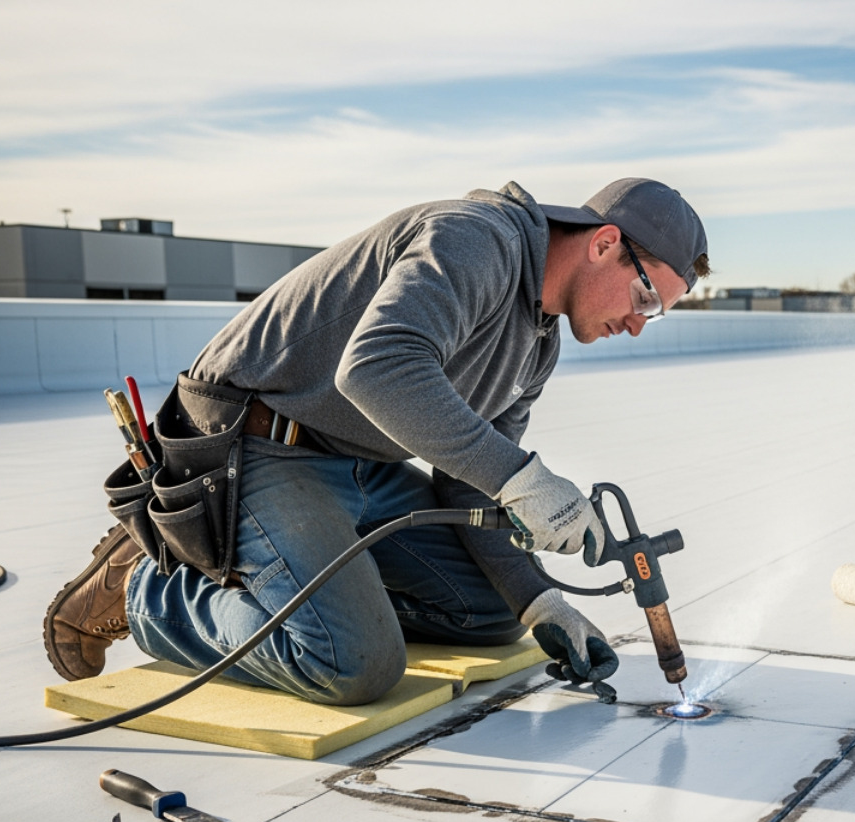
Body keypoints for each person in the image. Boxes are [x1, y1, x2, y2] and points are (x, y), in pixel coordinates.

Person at [43, 178, 709, 705]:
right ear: (603, 245)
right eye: (647, 300)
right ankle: (149, 588)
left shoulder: (537, 345)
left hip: (359, 465)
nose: (639, 324)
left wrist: (542, 601)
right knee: (351, 664)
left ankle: (305, 588)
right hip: (261, 447)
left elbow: (462, 480)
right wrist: (522, 480)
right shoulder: (476, 241)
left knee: (493, 616)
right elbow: (376, 369)